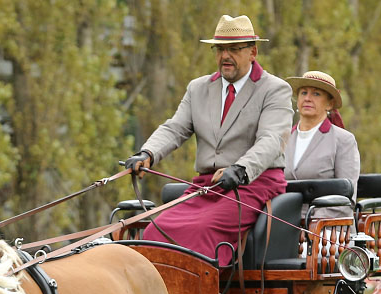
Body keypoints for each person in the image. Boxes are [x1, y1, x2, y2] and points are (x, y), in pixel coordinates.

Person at [124, 14, 292, 266]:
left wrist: (241, 169)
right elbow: (175, 128)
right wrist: (147, 154)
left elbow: (271, 139)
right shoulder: (198, 88)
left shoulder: (274, 89)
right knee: (155, 230)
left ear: (253, 52)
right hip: (206, 187)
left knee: (201, 230)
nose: (225, 56)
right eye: (220, 49)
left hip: (251, 185)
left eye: (234, 49)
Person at [284, 70, 360, 221]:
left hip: (328, 230)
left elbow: (346, 199)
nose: (308, 98)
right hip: (284, 223)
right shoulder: (282, 139)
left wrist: (311, 223)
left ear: (330, 104)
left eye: (316, 94)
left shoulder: (344, 140)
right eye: (303, 93)